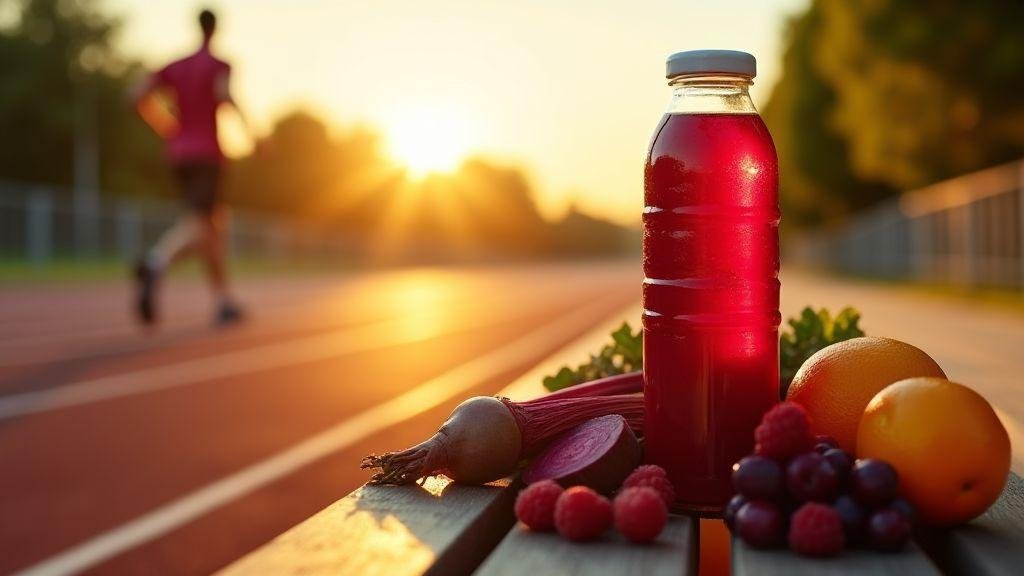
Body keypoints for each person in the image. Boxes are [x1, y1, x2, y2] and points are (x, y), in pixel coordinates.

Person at [130, 8, 256, 326]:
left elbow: (135, 95)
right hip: (206, 155)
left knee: (212, 230)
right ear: (215, 30)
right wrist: (253, 133)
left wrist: (168, 126)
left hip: (178, 155)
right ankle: (155, 262)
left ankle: (223, 302)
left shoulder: (175, 66)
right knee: (201, 226)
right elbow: (224, 94)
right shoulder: (218, 64)